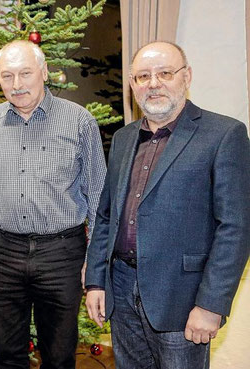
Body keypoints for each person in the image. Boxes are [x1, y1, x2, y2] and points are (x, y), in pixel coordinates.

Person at [85, 41, 250, 369]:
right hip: (121, 290)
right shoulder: (122, 139)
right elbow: (106, 216)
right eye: (143, 76)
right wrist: (95, 280)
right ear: (133, 85)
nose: (154, 83)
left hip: (183, 298)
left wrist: (211, 305)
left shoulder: (224, 135)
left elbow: (236, 226)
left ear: (186, 77)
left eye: (165, 73)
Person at [0, 40, 106, 369]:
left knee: (58, 357)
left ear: (44, 72)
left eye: (25, 73)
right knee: (7, 355)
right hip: (3, 253)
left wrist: (94, 262)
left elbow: (97, 197)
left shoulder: (79, 122)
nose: (17, 84)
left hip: (62, 255)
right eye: (7, 76)